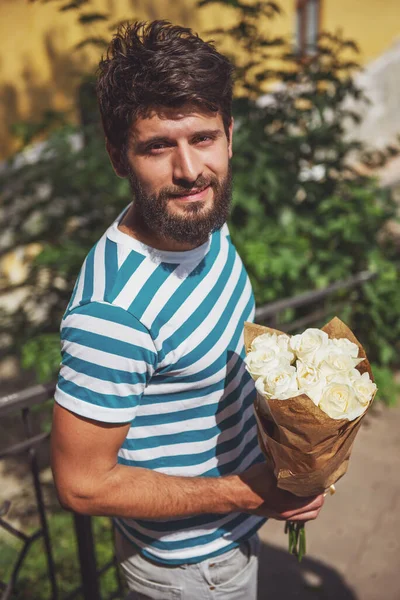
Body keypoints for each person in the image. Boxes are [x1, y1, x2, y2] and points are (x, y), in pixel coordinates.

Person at [51, 20, 324, 600]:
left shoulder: (202, 223)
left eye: (202, 138)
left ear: (230, 133)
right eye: (157, 146)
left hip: (237, 534)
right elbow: (80, 487)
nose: (189, 170)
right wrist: (251, 492)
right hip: (188, 570)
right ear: (117, 155)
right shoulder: (112, 313)